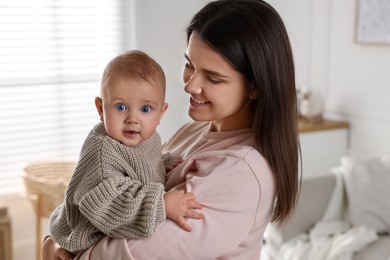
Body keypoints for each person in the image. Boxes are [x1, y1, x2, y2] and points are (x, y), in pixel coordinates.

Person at [43, 0, 300, 259]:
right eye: (189, 65)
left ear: (254, 86)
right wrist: (56, 240)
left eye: (212, 78)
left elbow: (129, 254)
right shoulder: (193, 132)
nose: (190, 85)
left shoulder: (242, 173)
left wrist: (63, 252)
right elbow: (107, 186)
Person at [48, 50, 203, 256]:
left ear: (161, 113)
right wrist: (161, 203)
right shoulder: (103, 152)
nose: (133, 118)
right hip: (86, 238)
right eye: (120, 107)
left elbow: (138, 164)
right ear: (101, 108)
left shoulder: (148, 138)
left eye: (145, 109)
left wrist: (162, 165)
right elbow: (111, 203)